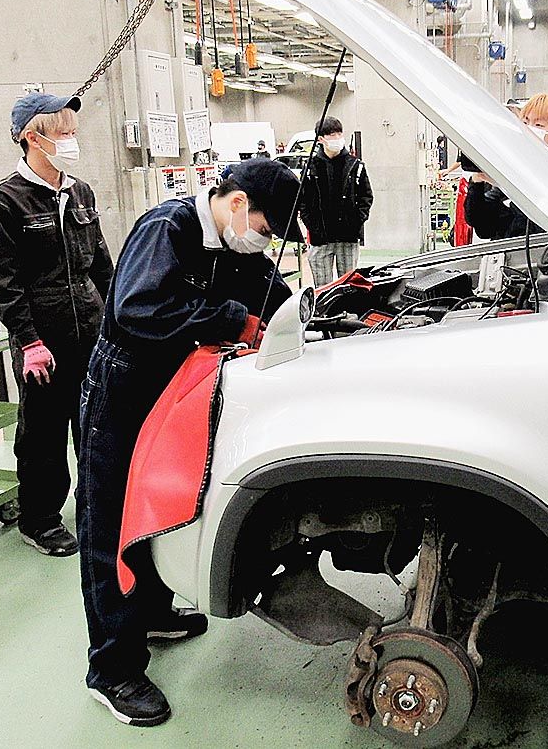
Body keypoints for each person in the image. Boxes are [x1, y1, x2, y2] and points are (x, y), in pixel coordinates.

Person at [76, 158, 301, 727]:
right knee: (109, 528)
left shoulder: (232, 244)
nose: (263, 242)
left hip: (174, 394)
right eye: (265, 229)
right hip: (122, 393)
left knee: (161, 506)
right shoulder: (168, 228)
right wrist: (229, 320)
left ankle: (151, 613)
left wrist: (305, 315)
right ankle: (112, 669)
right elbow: (137, 308)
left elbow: (268, 294)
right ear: (238, 204)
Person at [0, 92, 112, 557]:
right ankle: (40, 519)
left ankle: (93, 508)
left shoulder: (80, 192)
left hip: (89, 327)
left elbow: (100, 264)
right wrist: (29, 341)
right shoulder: (2, 202)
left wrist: (117, 316)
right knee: (44, 434)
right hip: (42, 337)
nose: (72, 140)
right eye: (63, 133)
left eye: (73, 131)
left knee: (93, 426)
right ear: (33, 138)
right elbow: (0, 281)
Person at [463, 92, 548, 240]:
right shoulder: (512, 166)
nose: (529, 129)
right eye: (525, 122)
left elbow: (538, 228)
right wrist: (477, 182)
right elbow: (482, 226)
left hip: (535, 252)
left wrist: (512, 188)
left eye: (538, 125)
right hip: (502, 251)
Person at [299, 116, 373, 286]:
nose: (338, 138)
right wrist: (312, 226)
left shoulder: (355, 165)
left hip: (348, 236)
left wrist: (356, 221)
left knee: (348, 286)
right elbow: (303, 200)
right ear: (321, 139)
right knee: (323, 288)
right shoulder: (310, 167)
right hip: (320, 238)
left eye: (340, 133)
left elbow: (366, 196)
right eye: (332, 135)